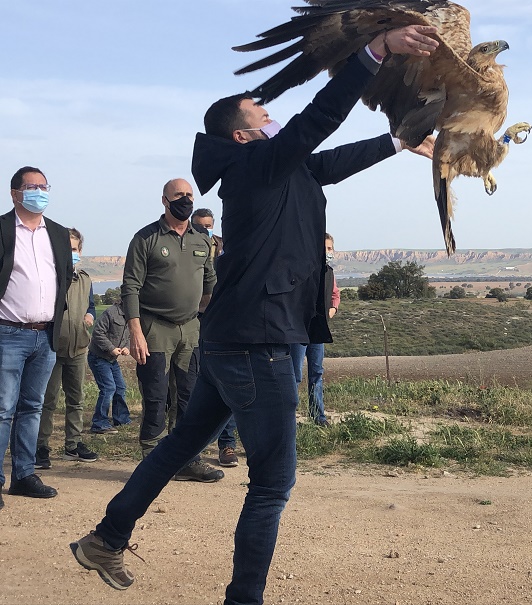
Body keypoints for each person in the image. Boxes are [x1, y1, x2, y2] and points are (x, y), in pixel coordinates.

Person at [70, 25, 438, 603]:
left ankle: (106, 539)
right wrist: (376, 51)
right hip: (257, 345)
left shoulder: (280, 169)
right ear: (242, 135)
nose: (271, 116)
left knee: (178, 446)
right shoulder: (253, 167)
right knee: (271, 484)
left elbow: (326, 162)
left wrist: (397, 142)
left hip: (232, 340)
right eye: (261, 113)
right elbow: (319, 121)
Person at [118, 178, 220, 482]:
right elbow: (130, 287)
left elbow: (210, 284)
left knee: (189, 396)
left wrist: (212, 319)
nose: (185, 200)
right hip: (154, 328)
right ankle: (152, 461)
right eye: (178, 195)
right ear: (165, 200)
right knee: (156, 396)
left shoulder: (202, 240)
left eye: (189, 195)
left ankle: (187, 459)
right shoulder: (146, 238)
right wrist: (135, 332)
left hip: (190, 328)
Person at [0, 166, 72, 506]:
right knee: (3, 408)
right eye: (32, 187)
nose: (40, 192)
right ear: (15, 193)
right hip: (8, 332)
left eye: (44, 186)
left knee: (32, 407)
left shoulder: (57, 233)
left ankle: (24, 475)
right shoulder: (2, 229)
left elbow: (64, 278)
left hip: (45, 336)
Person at [35, 228, 98, 468]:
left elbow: (90, 306)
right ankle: (40, 447)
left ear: (80, 251)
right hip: (52, 347)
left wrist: (90, 316)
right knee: (47, 401)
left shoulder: (85, 279)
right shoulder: (49, 277)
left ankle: (73, 445)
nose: (71, 253)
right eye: (67, 248)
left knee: (76, 399)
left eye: (74, 248)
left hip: (79, 347)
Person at [190, 208, 239, 467]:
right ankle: (189, 448)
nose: (205, 231)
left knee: (227, 381)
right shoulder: (185, 247)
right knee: (192, 383)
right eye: (200, 226)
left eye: (209, 226)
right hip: (192, 320)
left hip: (221, 320)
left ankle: (227, 444)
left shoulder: (224, 247)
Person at [290, 233, 340, 426]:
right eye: (323, 248)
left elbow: (335, 294)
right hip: (299, 329)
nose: (326, 252)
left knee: (317, 372)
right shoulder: (302, 271)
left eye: (329, 248)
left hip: (318, 330)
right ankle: (289, 418)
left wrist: (333, 309)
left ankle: (318, 416)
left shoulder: (329, 272)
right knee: (295, 374)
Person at [87, 300, 132, 434]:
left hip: (112, 360)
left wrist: (127, 347)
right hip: (98, 357)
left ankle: (121, 419)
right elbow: (97, 333)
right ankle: (99, 423)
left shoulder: (133, 317)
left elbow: (131, 336)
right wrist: (111, 348)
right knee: (108, 388)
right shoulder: (111, 313)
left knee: (120, 387)